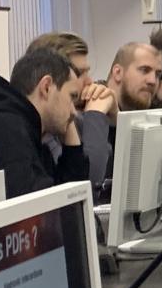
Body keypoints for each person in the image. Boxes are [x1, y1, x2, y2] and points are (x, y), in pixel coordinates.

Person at [0, 48, 88, 198]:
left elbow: (72, 198)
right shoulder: (5, 131)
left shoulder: (27, 128)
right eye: (71, 97)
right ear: (46, 87)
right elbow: (43, 209)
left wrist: (68, 123)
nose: (74, 111)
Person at [26, 32, 116, 190]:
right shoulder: (41, 131)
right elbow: (89, 186)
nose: (89, 81)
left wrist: (115, 117)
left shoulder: (77, 119)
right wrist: (96, 114)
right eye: (79, 74)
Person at [106, 43, 162, 112]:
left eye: (157, 75)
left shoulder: (156, 112)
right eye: (144, 70)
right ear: (118, 72)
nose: (153, 81)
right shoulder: (96, 111)